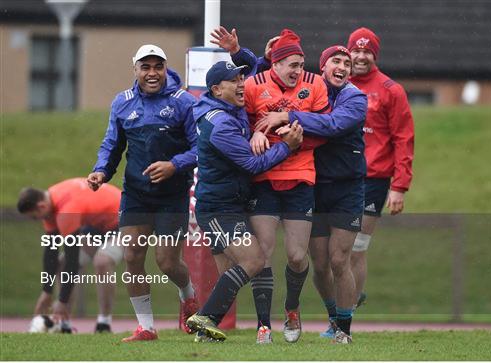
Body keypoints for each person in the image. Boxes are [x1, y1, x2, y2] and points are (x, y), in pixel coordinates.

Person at [211, 27, 330, 344]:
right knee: (261, 254)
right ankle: (263, 323)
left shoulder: (315, 84)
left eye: (301, 63)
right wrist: (255, 133)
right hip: (263, 181)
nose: (298, 70)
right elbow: (240, 121)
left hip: (300, 178)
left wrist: (286, 122)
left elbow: (322, 131)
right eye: (292, 64)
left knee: (295, 256)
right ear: (274, 65)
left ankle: (292, 308)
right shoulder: (252, 85)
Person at [254, 45, 368, 343]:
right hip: (316, 186)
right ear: (323, 67)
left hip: (347, 190)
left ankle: (344, 328)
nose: (343, 66)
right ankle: (333, 317)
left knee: (339, 259)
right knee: (317, 263)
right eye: (336, 61)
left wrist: (287, 116)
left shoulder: (354, 97)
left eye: (347, 62)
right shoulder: (308, 89)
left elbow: (332, 125)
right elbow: (261, 88)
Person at [87, 44, 199, 342]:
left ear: (165, 69)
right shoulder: (121, 103)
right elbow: (112, 144)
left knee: (166, 262)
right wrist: (101, 171)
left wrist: (174, 165)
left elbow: (201, 148)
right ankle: (146, 328)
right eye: (145, 67)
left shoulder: (183, 102)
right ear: (134, 69)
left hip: (172, 194)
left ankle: (188, 296)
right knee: (132, 256)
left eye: (157, 67)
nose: (152, 73)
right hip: (135, 193)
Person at [186, 60, 303, 343]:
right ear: (216, 89)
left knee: (229, 274)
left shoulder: (226, 108)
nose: (242, 83)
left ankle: (206, 333)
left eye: (241, 77)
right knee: (254, 260)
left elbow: (255, 72)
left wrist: (259, 58)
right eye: (233, 80)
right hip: (218, 207)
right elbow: (252, 164)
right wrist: (287, 148)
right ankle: (205, 317)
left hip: (226, 203)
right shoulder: (221, 124)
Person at [345, 27, 414, 312]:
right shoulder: (336, 84)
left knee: (356, 247)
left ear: (375, 55)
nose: (361, 56)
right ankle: (348, 298)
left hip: (373, 178)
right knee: (332, 251)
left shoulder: (390, 90)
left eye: (367, 51)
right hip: (338, 177)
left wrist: (399, 186)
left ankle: (343, 316)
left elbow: (404, 138)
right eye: (356, 50)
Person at [17, 178, 123, 333]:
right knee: (61, 263)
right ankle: (64, 324)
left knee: (102, 261)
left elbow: (73, 261)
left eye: (34, 217)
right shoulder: (50, 203)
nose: (36, 221)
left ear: (41, 206)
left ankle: (104, 323)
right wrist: (47, 291)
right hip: (99, 224)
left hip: (126, 220)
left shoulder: (66, 209)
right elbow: (51, 251)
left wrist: (61, 300)